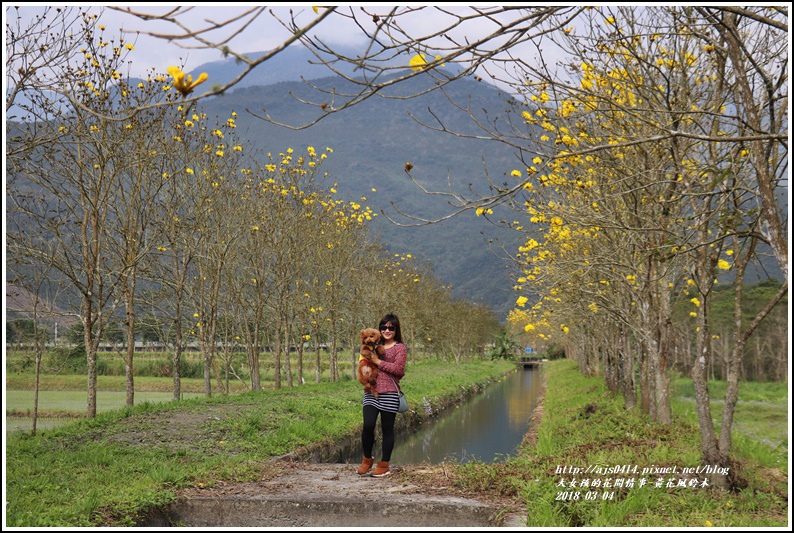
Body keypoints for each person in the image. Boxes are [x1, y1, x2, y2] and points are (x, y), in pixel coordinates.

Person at [356, 313, 407, 477]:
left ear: (396, 329)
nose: (387, 330)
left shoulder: (400, 348)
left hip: (390, 393)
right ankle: (367, 459)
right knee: (368, 425)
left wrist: (378, 361)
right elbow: (362, 360)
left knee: (387, 430)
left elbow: (399, 370)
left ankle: (384, 465)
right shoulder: (371, 345)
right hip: (371, 391)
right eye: (383, 327)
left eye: (391, 327)